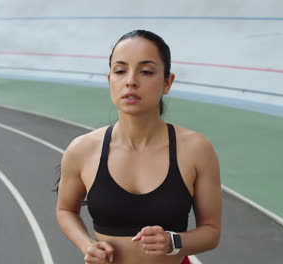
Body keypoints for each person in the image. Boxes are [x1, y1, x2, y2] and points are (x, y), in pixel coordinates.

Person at [55, 29, 221, 264]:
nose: (131, 81)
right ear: (109, 80)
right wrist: (87, 245)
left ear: (167, 82)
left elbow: (212, 231)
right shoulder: (82, 149)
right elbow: (65, 211)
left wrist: (173, 242)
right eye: (120, 71)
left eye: (145, 71)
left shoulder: (195, 149)